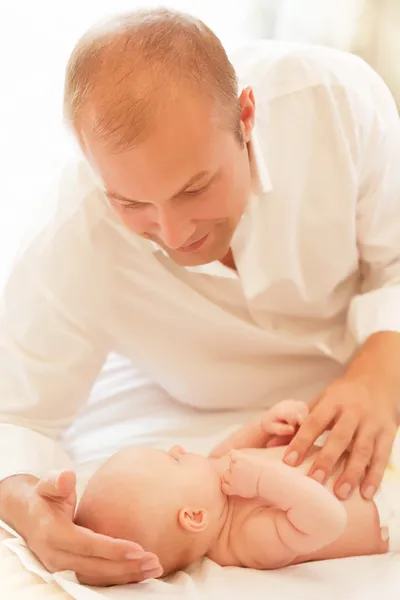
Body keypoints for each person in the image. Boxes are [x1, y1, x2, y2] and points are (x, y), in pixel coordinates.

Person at [1, 5, 400, 588]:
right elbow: (11, 413)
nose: (173, 232)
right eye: (132, 204)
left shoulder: (334, 103)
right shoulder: (76, 233)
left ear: (245, 117)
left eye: (195, 187)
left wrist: (379, 371)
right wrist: (25, 509)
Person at [74, 400, 400, 582]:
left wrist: (264, 426)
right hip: (386, 503)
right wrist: (262, 482)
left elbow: (231, 450)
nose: (178, 448)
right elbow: (329, 519)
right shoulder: (246, 538)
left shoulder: (214, 478)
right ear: (194, 516)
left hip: (369, 454)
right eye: (174, 460)